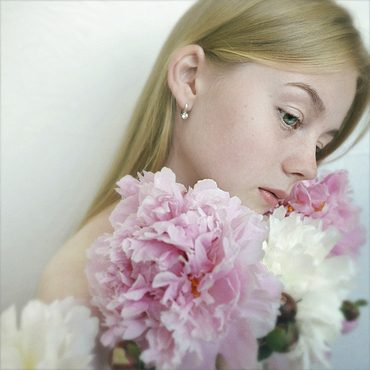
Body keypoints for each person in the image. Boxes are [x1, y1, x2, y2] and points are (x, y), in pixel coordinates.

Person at [36, 0, 369, 367]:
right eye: (290, 117)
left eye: (321, 146)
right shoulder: (81, 292)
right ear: (190, 78)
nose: (309, 168)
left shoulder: (276, 266)